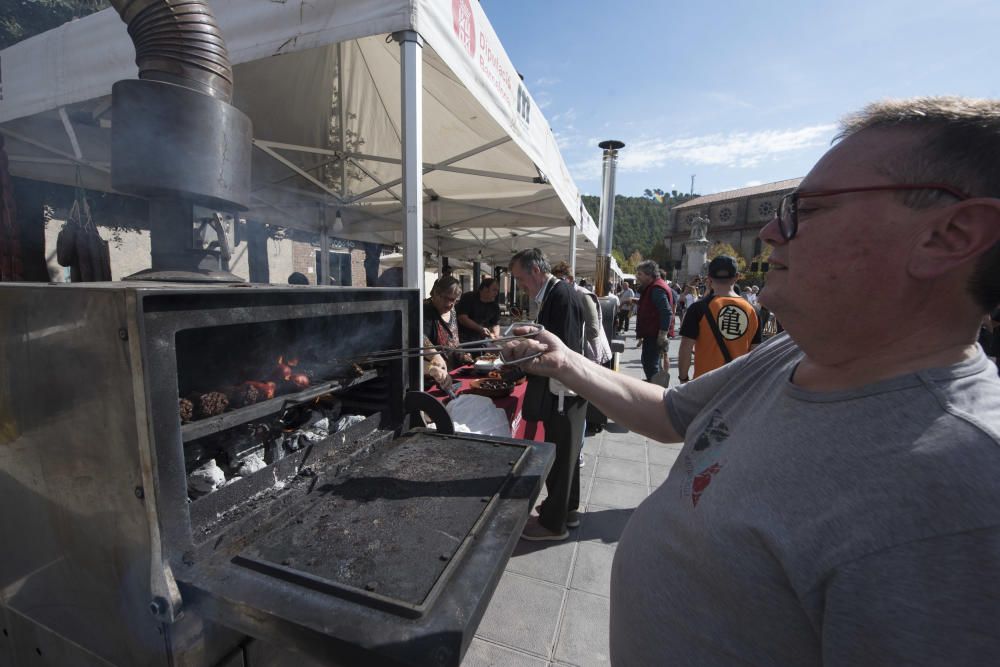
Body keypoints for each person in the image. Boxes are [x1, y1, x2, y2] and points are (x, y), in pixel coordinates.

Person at [500, 97, 1000, 664]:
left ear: (951, 234)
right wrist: (566, 361)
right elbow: (669, 414)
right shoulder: (790, 351)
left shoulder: (969, 488)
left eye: (807, 210)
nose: (770, 231)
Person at [509, 248, 586, 541]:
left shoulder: (561, 295)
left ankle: (554, 525)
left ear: (536, 272)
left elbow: (560, 353)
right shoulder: (556, 293)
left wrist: (521, 358)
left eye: (520, 279)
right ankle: (568, 510)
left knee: (561, 455)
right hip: (566, 388)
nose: (520, 286)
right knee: (568, 454)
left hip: (564, 391)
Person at [676, 255, 761, 382]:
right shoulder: (752, 310)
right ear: (737, 277)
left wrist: (683, 378)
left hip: (704, 383)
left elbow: (685, 348)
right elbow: (756, 352)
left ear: (709, 278)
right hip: (738, 384)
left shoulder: (697, 308)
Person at [634, 260, 673, 381]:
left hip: (654, 334)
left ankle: (655, 390)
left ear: (649, 275)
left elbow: (666, 311)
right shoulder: (654, 287)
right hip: (652, 333)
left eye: (640, 274)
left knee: (651, 365)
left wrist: (662, 334)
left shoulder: (656, 288)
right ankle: (655, 386)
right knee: (650, 362)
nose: (637, 277)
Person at [423, 276, 472, 370]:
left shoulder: (452, 310)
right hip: (433, 372)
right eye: (448, 299)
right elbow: (421, 338)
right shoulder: (425, 310)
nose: (451, 304)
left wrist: (462, 355)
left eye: (455, 300)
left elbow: (453, 341)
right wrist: (435, 357)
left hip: (454, 369)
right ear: (436, 293)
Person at [456, 278, 501, 344]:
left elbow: (495, 324)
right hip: (462, 339)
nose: (496, 293)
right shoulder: (468, 297)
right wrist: (480, 329)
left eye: (497, 291)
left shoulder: (494, 306)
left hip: (481, 340)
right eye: (494, 290)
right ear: (485, 289)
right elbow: (462, 318)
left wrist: (495, 335)